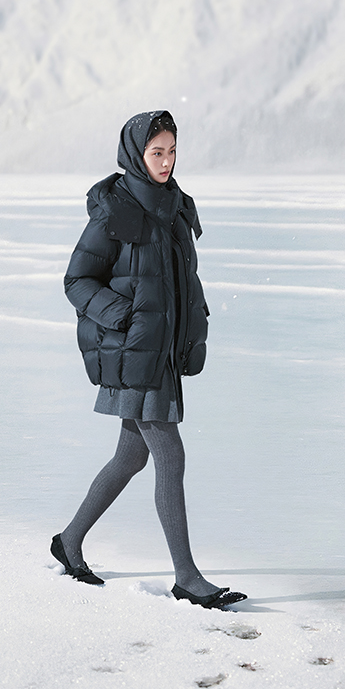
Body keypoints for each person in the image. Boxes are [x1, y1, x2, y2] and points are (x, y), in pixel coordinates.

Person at [52, 110, 246, 610]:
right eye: (156, 152)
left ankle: (69, 542)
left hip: (161, 351)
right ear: (136, 155)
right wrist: (121, 316)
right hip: (134, 351)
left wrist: (194, 330)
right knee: (169, 454)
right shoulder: (114, 210)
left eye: (172, 151)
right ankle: (187, 578)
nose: (166, 161)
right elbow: (77, 280)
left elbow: (183, 282)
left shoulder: (176, 207)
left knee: (130, 457)